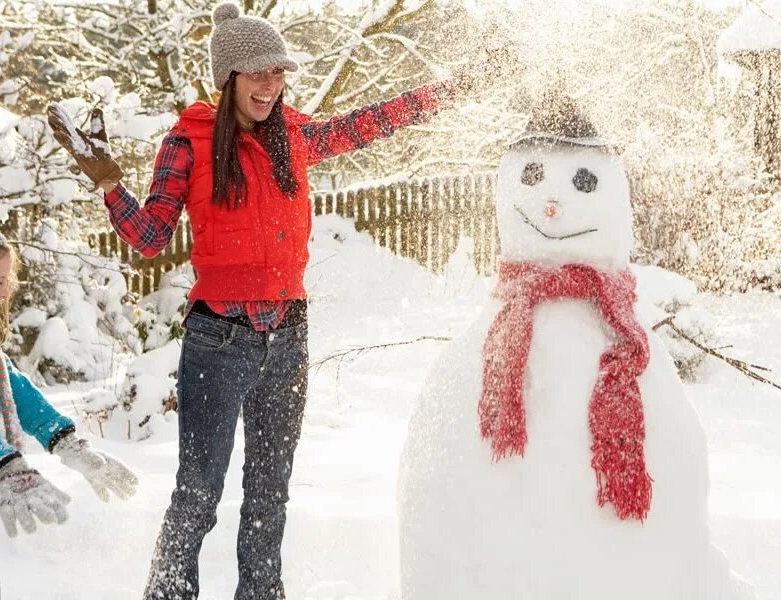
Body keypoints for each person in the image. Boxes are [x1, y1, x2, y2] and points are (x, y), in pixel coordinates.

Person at [47, 3, 514, 598]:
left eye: (279, 71)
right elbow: (149, 237)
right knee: (198, 489)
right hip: (218, 340)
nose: (272, 83)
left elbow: (371, 123)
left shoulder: (293, 136)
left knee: (270, 493)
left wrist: (461, 87)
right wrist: (112, 186)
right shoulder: (186, 144)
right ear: (229, 78)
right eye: (258, 71)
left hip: (288, 336)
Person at [0, 219, 138, 599]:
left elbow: (16, 390)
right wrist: (8, 468)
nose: (7, 292)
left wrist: (69, 445)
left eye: (8, 281)